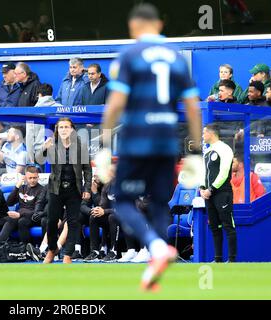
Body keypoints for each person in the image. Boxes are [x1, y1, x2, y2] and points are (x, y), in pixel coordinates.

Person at [99, 3, 202, 290]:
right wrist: (194, 152)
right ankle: (156, 264)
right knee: (159, 203)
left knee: (122, 201)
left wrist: (105, 146)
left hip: (136, 141)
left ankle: (156, 249)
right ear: (159, 25)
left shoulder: (129, 56)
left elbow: (116, 104)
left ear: (134, 27)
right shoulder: (177, 59)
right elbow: (193, 109)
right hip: (167, 142)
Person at [35, 117, 92, 264]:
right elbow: (37, 159)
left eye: (67, 127)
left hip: (75, 188)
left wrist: (87, 188)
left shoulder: (80, 146)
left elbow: (87, 170)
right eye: (61, 127)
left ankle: (68, 254)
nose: (64, 130)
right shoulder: (52, 145)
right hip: (55, 188)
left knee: (73, 222)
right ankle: (52, 250)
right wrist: (43, 148)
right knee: (52, 221)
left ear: (72, 129)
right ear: (57, 130)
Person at [200, 124, 236, 263]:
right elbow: (205, 172)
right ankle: (218, 259)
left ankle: (232, 260)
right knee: (214, 227)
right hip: (209, 194)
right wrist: (202, 188)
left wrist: (211, 189)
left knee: (228, 226)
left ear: (211, 133)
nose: (202, 136)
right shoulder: (208, 151)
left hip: (222, 192)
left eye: (204, 133)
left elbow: (224, 172)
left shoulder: (224, 149)